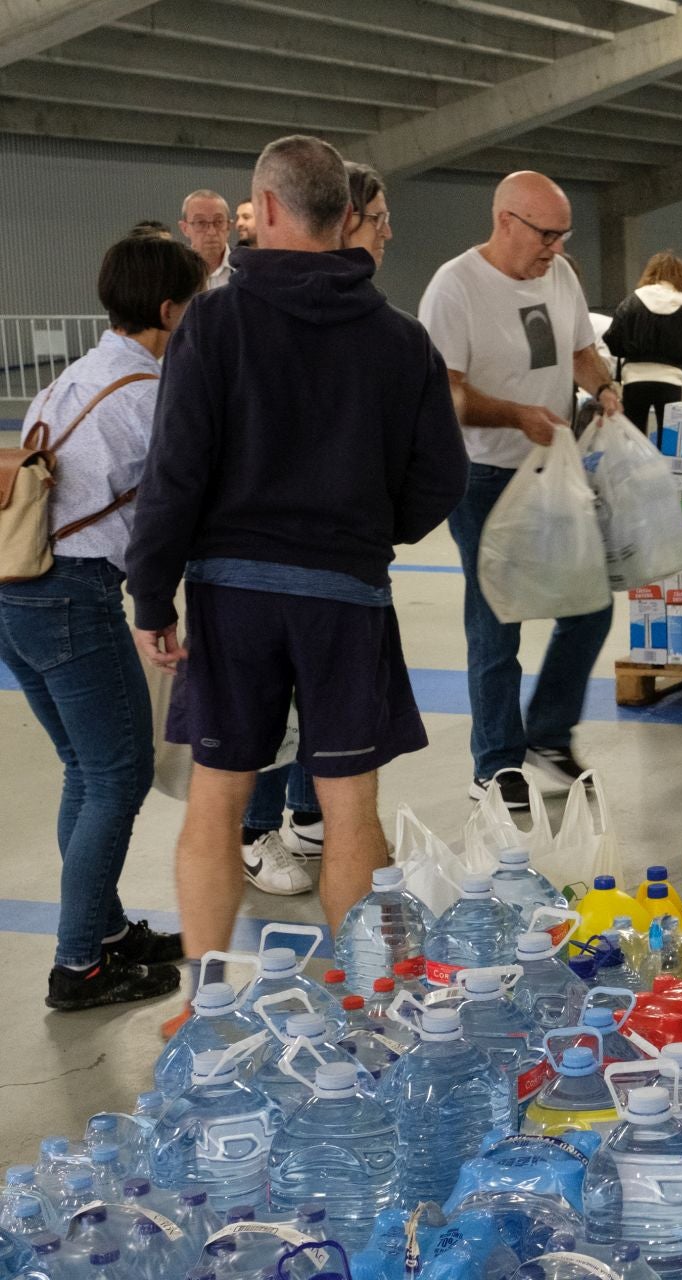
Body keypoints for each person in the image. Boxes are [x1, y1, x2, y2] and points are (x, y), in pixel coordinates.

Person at [126, 135, 468, 1025]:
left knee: (219, 796)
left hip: (233, 595)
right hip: (346, 596)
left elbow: (176, 471)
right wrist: (367, 531)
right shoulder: (401, 342)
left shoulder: (214, 323)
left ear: (268, 210)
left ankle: (203, 1002)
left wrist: (153, 594)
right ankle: (364, 996)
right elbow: (442, 478)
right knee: (350, 807)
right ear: (343, 215)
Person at [2, 234, 203, 1011]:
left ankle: (105, 929)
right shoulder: (153, 396)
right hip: (74, 600)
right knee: (116, 776)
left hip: (18, 592)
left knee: (86, 773)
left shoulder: (69, 382)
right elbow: (177, 503)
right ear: (167, 310)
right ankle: (80, 964)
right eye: (193, 305)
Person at [419, 171, 621, 809]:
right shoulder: (456, 288)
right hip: (484, 475)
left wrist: (604, 384)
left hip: (552, 469)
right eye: (546, 234)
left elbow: (580, 351)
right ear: (506, 220)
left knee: (590, 605)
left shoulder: (559, 275)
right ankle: (496, 764)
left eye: (563, 236)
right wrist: (517, 416)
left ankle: (549, 734)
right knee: (495, 622)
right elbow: (444, 394)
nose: (555, 248)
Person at [237, 160, 397, 899]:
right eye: (378, 218)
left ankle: (297, 816)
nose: (389, 232)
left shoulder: (381, 326)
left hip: (320, 567)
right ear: (344, 220)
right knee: (265, 762)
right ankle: (257, 827)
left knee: (329, 767)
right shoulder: (233, 314)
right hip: (270, 569)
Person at [604, 250, 682, 438]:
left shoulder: (632, 301)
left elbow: (613, 340)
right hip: (670, 381)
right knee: (670, 440)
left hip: (634, 380)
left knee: (634, 440)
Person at [177, 189, 233, 289]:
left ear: (228, 226)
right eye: (201, 223)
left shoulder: (246, 270)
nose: (212, 232)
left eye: (219, 222)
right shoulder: (175, 272)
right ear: (184, 228)